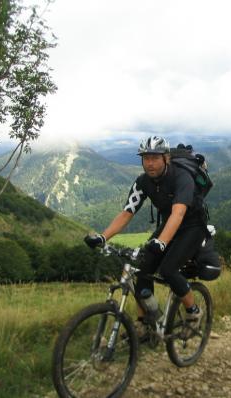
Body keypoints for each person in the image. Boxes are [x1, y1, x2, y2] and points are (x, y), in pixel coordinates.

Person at [84, 135, 208, 338]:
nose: (149, 163)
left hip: (192, 226)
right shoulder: (142, 182)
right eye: (145, 158)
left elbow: (178, 213)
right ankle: (146, 322)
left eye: (154, 158)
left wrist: (161, 242)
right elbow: (126, 213)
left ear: (166, 158)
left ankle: (194, 312)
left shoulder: (181, 177)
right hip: (169, 224)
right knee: (142, 271)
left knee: (168, 269)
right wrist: (103, 237)